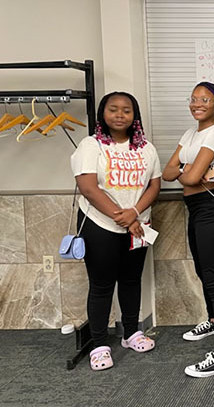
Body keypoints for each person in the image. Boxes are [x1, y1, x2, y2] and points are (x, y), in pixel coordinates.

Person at [71, 91, 161, 371]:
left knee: (132, 280)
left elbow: (154, 186)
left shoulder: (146, 148)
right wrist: (122, 217)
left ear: (135, 115)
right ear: (103, 114)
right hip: (100, 225)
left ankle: (131, 332)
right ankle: (99, 344)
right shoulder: (91, 145)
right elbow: (88, 187)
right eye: (113, 109)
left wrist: (134, 214)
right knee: (101, 285)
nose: (120, 115)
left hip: (138, 225)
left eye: (126, 110)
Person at [163, 82, 214, 377]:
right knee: (203, 272)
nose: (196, 104)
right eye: (193, 99)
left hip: (210, 210)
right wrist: (188, 172)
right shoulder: (191, 133)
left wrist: (187, 171)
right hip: (195, 210)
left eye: (204, 99)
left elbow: (191, 177)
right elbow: (168, 172)